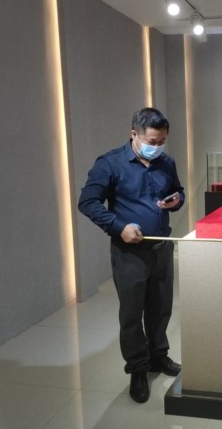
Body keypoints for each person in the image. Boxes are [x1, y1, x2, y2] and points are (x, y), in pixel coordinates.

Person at [78, 107, 184, 403]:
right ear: (134, 134)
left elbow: (178, 191)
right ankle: (138, 369)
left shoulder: (166, 162)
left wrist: (176, 201)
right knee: (131, 314)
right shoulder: (110, 163)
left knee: (161, 308)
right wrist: (118, 226)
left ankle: (158, 355)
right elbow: (87, 202)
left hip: (162, 248)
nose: (158, 147)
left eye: (162, 141)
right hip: (129, 253)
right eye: (152, 141)